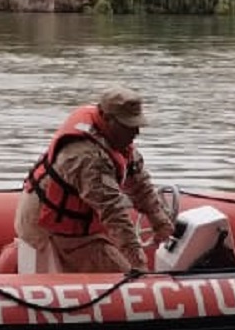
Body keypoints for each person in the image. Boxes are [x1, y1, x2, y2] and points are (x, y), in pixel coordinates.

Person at [14, 86, 175, 274]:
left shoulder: (117, 139)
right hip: (48, 228)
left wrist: (160, 222)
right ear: (108, 119)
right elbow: (112, 211)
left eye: (137, 125)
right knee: (122, 271)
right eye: (128, 126)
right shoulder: (85, 156)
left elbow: (139, 181)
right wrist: (139, 264)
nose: (136, 132)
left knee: (122, 257)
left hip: (80, 224)